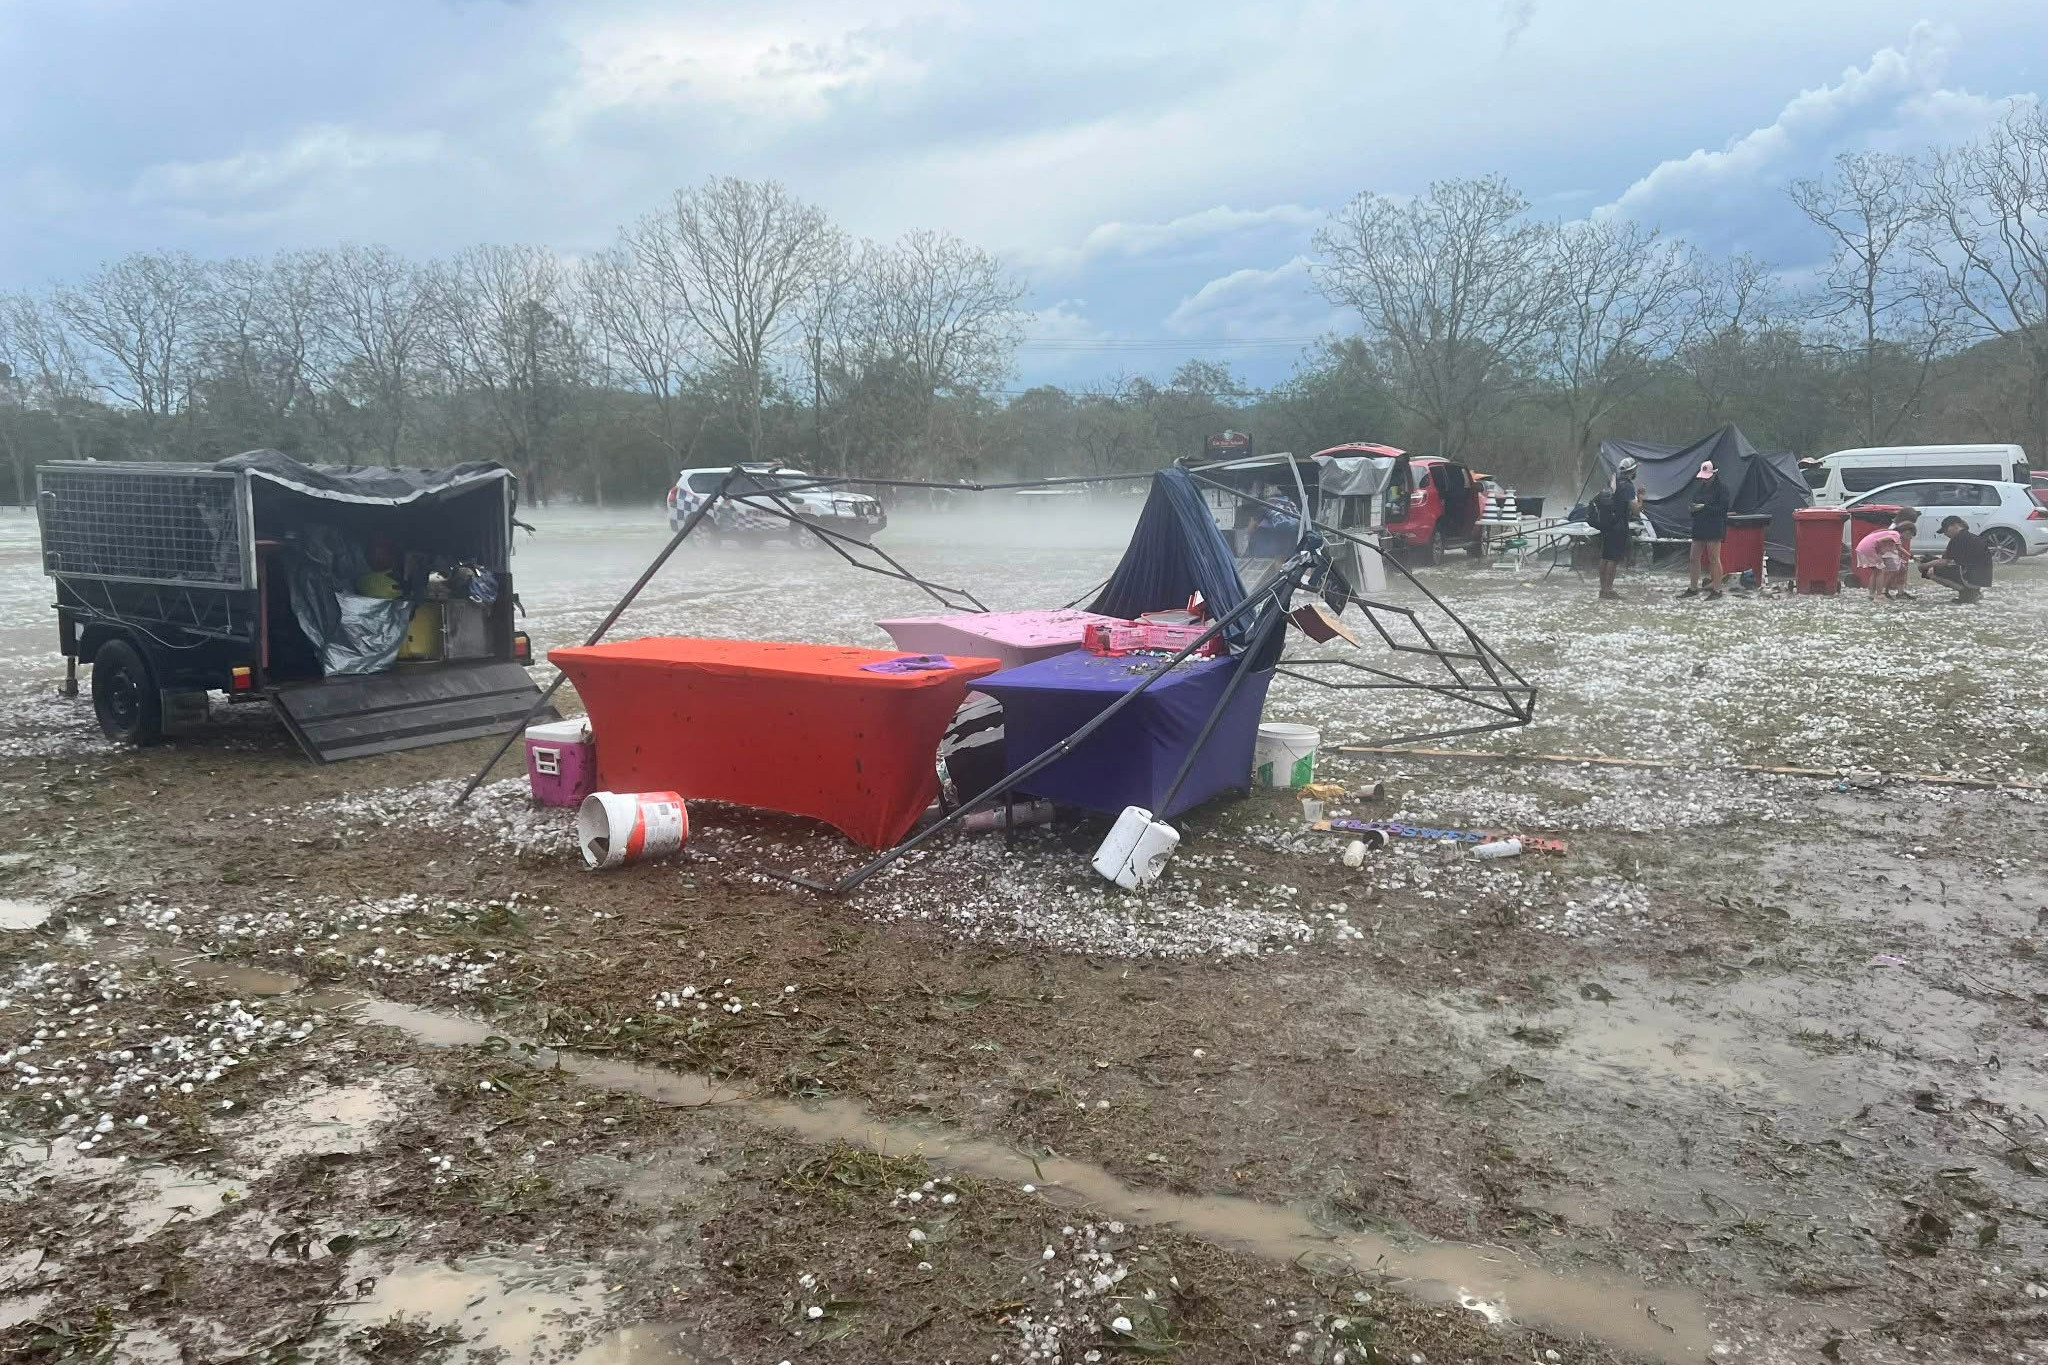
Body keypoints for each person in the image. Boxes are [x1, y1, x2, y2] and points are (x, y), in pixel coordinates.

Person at [1678, 460, 1731, 599]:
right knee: (1693, 558)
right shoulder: (1700, 490)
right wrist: (1693, 509)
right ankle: (1693, 587)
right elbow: (1694, 504)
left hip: (1714, 527)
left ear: (1714, 474)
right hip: (1699, 527)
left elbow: (1723, 509)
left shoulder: (1722, 489)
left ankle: (1717, 589)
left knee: (1714, 558)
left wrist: (1705, 508)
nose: (1704, 480)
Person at [1596, 456, 1643, 601]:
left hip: (1608, 524)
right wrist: (1641, 498)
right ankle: (1609, 590)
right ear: (1632, 471)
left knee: (1605, 557)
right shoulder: (1628, 486)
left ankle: (1603, 589)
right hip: (1619, 526)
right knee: (1613, 559)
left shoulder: (1613, 482)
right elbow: (1635, 509)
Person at [1919, 514, 1993, 603]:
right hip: (1983, 578)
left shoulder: (1957, 538)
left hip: (1971, 578)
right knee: (1931, 562)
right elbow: (1955, 560)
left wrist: (1924, 566)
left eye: (1946, 530)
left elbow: (1945, 561)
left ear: (1955, 525)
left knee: (1930, 571)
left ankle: (1967, 592)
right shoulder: (1971, 537)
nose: (1945, 534)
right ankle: (1974, 591)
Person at [1853, 516, 1917, 601]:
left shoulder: (1891, 533)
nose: (1910, 538)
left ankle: (1872, 594)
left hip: (1862, 547)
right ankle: (1879, 595)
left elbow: (1897, 547)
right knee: (1881, 570)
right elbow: (1883, 542)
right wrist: (1878, 553)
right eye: (1911, 536)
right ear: (1907, 532)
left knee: (1875, 572)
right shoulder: (1896, 535)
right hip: (1870, 548)